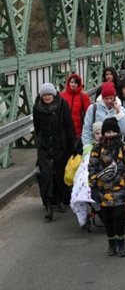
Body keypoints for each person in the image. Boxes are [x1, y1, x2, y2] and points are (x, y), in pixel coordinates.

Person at [88, 118, 125, 257]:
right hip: (103, 189)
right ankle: (111, 242)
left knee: (119, 215)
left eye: (113, 131)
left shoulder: (124, 147)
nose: (110, 135)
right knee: (107, 217)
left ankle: (121, 241)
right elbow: (92, 167)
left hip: (119, 188)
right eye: (107, 132)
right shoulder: (98, 148)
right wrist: (93, 187)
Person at [33, 83, 76, 221]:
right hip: (44, 146)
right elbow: (37, 127)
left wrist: (72, 146)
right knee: (46, 174)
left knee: (59, 173)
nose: (47, 97)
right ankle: (48, 204)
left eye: (49, 94)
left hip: (60, 145)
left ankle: (61, 200)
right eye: (44, 95)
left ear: (54, 94)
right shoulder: (37, 108)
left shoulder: (62, 105)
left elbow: (69, 125)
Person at [81, 81, 125, 146]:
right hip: (97, 147)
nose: (109, 101)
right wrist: (87, 146)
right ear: (102, 97)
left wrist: (118, 112)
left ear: (114, 97)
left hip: (115, 147)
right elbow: (87, 128)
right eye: (106, 98)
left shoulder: (121, 109)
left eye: (111, 98)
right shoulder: (93, 108)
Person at [60, 73, 91, 140]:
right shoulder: (62, 95)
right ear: (68, 83)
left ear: (79, 84)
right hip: (64, 128)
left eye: (76, 83)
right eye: (72, 82)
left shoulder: (83, 96)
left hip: (78, 129)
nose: (73, 84)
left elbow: (89, 113)